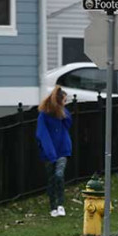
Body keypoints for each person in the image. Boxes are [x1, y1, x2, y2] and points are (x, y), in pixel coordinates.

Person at [35, 86, 72, 218]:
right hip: (49, 153)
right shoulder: (44, 116)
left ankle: (60, 204)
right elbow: (42, 135)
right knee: (51, 179)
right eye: (64, 101)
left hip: (62, 150)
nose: (65, 104)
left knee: (59, 175)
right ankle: (53, 206)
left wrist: (63, 111)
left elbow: (68, 123)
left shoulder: (63, 114)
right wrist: (50, 154)